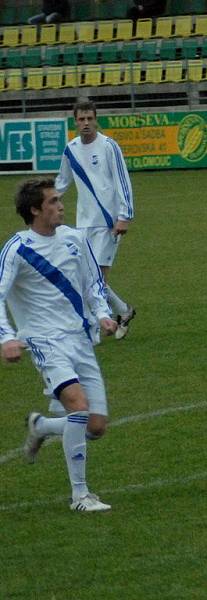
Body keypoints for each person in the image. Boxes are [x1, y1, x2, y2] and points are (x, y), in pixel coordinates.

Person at [0, 178, 116, 512]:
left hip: (79, 338)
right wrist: (7, 337)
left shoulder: (75, 239)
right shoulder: (18, 248)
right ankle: (80, 496)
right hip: (43, 340)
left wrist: (104, 315)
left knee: (96, 426)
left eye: (59, 200)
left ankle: (41, 426)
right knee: (78, 408)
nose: (61, 206)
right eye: (52, 201)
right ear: (35, 210)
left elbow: (94, 285)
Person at [55, 100, 136, 341]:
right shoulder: (71, 149)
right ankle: (123, 311)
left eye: (90, 118)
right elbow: (61, 182)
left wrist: (124, 217)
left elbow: (123, 181)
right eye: (81, 119)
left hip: (109, 222)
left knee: (97, 278)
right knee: (86, 277)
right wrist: (42, 201)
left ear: (96, 119)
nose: (86, 123)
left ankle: (93, 329)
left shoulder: (109, 146)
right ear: (75, 122)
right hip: (84, 224)